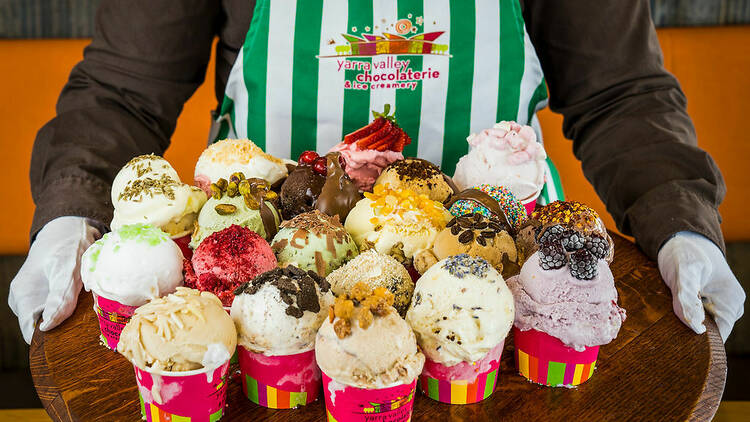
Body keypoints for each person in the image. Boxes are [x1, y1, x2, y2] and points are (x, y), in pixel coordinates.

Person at [8, 0, 744, 344]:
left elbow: (621, 91)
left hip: (510, 290)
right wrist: (70, 219)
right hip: (255, 289)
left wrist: (683, 228)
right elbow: (122, 91)